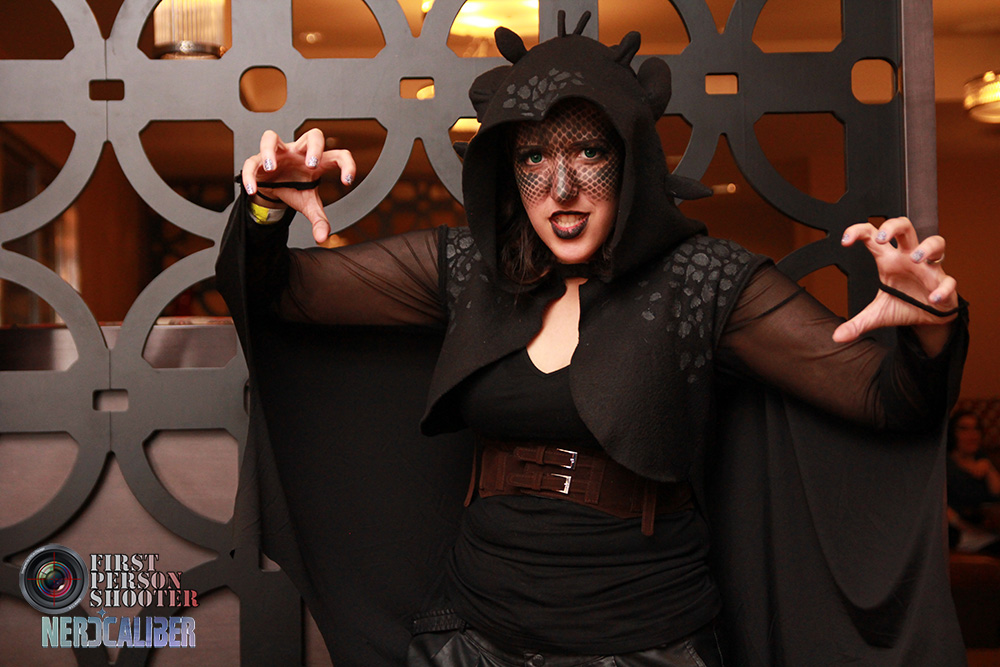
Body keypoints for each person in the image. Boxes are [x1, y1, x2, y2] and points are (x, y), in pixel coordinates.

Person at [216, 13, 969, 667]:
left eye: (588, 152)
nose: (562, 188)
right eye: (534, 157)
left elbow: (887, 399)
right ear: (508, 171)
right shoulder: (468, 269)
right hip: (474, 639)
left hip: (646, 644)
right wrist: (264, 211)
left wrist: (930, 327)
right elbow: (281, 294)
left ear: (630, 157)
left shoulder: (702, 280)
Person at [946, 410, 1000, 555]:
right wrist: (971, 529)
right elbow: (941, 508)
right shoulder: (945, 465)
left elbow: (997, 492)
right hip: (963, 534)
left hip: (991, 529)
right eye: (964, 429)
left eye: (976, 429)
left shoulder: (982, 459)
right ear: (952, 433)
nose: (972, 435)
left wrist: (988, 468)